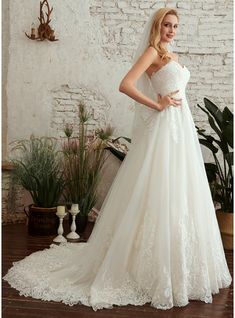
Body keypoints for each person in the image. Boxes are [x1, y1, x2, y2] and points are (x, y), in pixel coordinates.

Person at [3, 7, 232, 311]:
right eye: (167, 25)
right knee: (154, 188)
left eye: (175, 26)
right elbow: (126, 84)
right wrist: (157, 104)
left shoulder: (170, 54)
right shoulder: (152, 52)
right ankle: (144, 267)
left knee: (179, 191)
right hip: (164, 128)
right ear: (157, 25)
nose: (172, 30)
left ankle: (182, 267)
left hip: (181, 131)